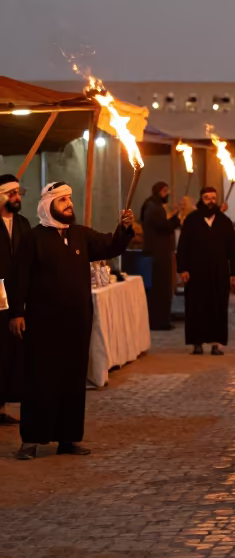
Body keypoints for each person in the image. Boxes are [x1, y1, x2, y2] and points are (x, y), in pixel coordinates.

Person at [9, 181, 134, 459]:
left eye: (70, 199)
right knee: (40, 380)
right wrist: (17, 312)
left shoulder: (81, 235)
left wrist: (124, 229)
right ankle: (31, 440)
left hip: (77, 321)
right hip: (42, 323)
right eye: (63, 200)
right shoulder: (33, 238)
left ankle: (68, 438)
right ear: (48, 204)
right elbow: (20, 278)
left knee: (73, 380)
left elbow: (111, 245)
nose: (69, 204)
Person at [176, 185, 235, 355]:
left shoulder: (224, 222)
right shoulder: (191, 220)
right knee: (196, 307)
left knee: (217, 307)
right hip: (195, 273)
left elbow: (233, 249)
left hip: (219, 273)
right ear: (201, 199)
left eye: (213, 198)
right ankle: (196, 342)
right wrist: (182, 268)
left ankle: (216, 343)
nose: (211, 201)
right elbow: (182, 246)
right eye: (207, 198)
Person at [0, 175, 29, 426]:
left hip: (15, 297)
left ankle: (1, 406)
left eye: (19, 193)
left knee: (9, 354)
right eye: (12, 193)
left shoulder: (23, 223)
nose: (18, 198)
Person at [140, 180, 183, 331]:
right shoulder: (153, 207)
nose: (168, 194)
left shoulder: (154, 206)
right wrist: (177, 218)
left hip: (160, 252)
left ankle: (162, 320)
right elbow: (163, 226)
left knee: (163, 288)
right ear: (158, 192)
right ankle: (159, 322)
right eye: (165, 191)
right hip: (158, 254)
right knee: (160, 289)